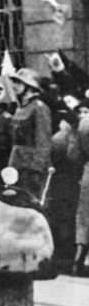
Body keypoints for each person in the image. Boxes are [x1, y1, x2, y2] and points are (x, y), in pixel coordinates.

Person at [7, 67, 54, 197]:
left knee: (32, 203)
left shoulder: (39, 108)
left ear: (30, 86)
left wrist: (36, 168)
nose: (14, 85)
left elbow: (43, 141)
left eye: (18, 82)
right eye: (14, 82)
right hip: (16, 164)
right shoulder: (20, 108)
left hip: (31, 168)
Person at [73, 102, 89, 275]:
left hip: (88, 171)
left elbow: (74, 154)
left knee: (84, 215)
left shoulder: (84, 122)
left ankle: (78, 258)